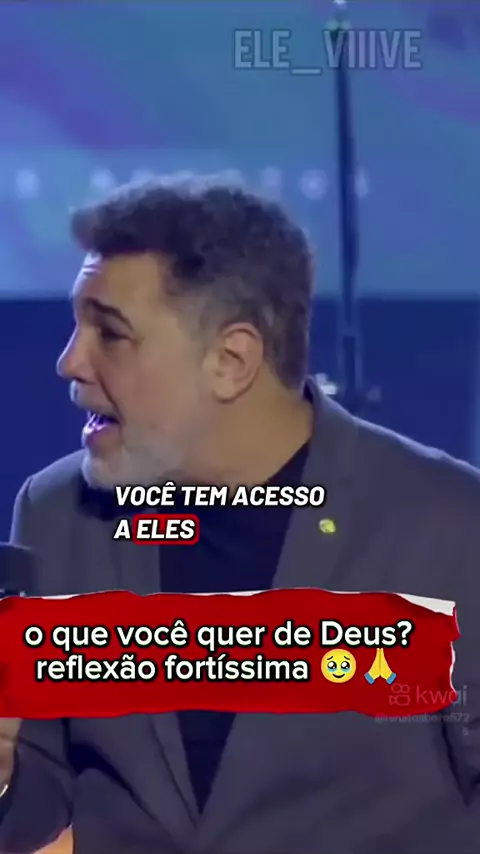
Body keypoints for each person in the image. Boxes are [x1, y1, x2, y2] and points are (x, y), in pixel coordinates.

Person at [0, 178, 479, 854]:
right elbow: (38, 801)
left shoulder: (449, 525)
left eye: (110, 333)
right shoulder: (58, 515)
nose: (69, 362)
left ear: (230, 362)